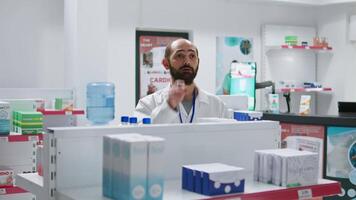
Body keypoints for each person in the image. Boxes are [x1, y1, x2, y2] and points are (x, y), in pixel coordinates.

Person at [135, 39, 229, 124]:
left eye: (192, 56)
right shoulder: (148, 104)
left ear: (198, 62)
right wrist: (169, 105)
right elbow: (140, 135)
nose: (187, 62)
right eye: (180, 55)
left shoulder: (217, 105)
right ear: (166, 63)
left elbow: (230, 137)